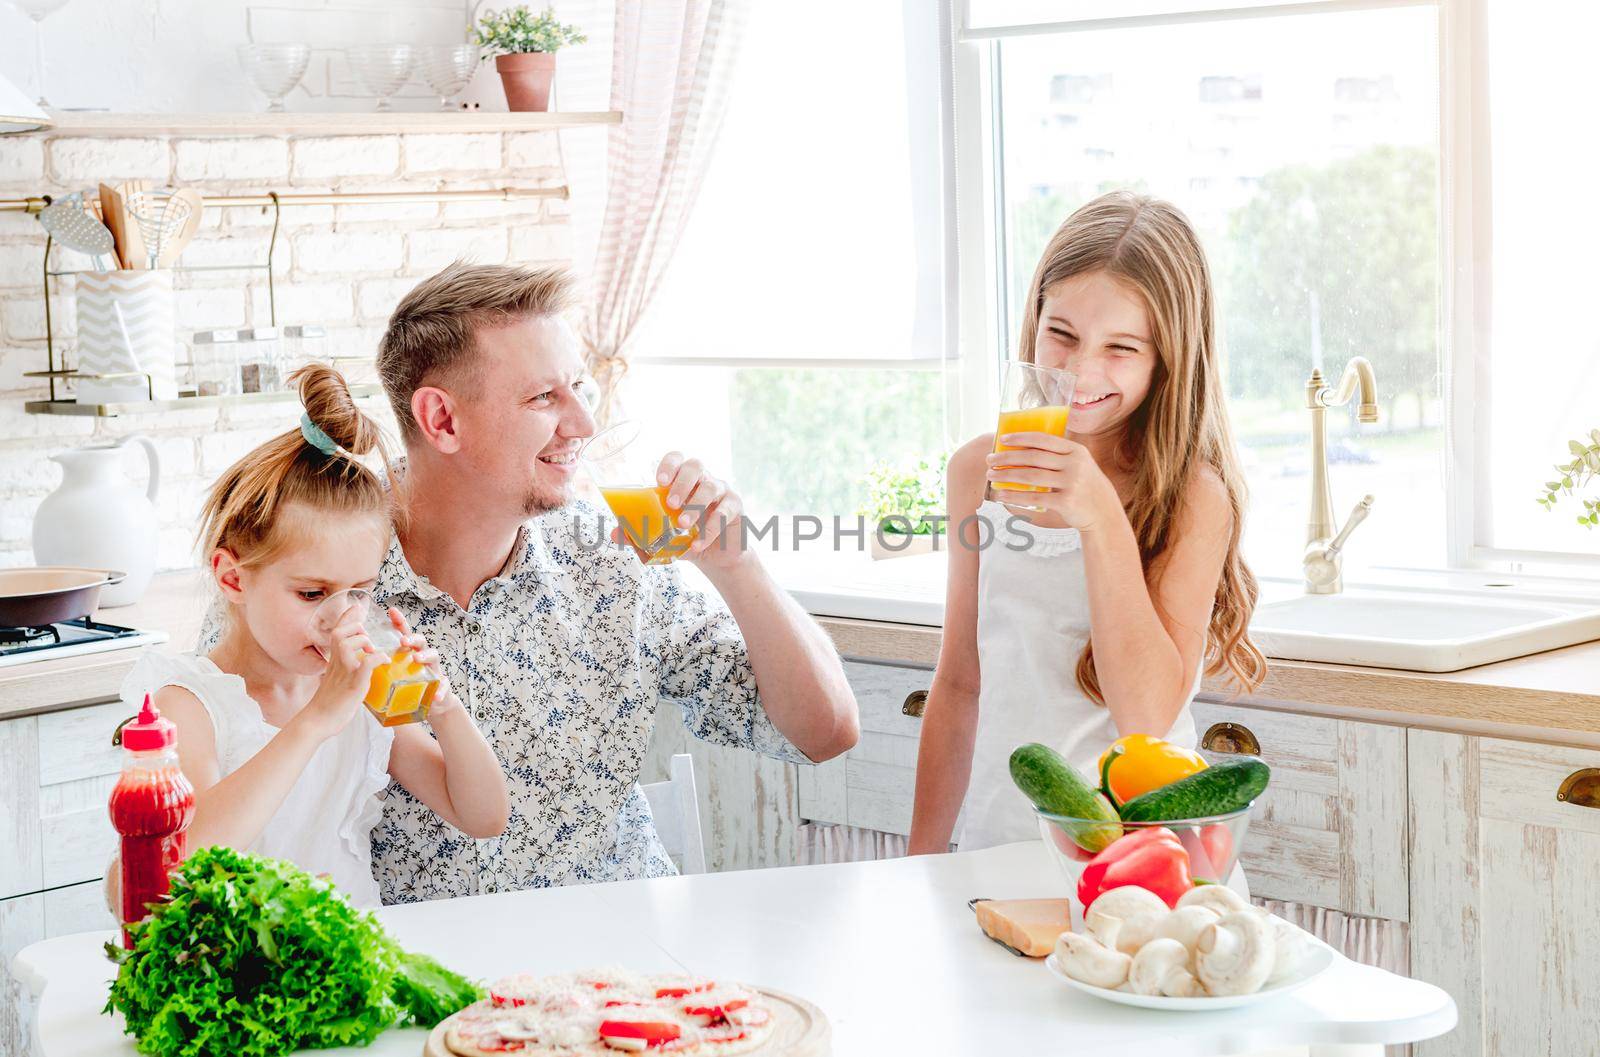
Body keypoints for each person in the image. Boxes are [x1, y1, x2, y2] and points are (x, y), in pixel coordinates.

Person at [220, 261, 859, 903]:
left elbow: (825, 733)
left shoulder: (611, 557)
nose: (583, 423)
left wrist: (738, 566)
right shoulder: (309, 583)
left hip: (622, 953)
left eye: (579, 387)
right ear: (441, 420)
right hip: (420, 978)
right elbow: (229, 822)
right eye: (543, 397)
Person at [908, 192, 1267, 854]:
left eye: (1121, 348)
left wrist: (1100, 516)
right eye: (1062, 334)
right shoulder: (977, 472)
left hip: (1139, 859)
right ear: (1034, 320)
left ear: (1168, 361)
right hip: (994, 846)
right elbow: (960, 683)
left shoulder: (1192, 496)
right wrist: (921, 862)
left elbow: (1146, 717)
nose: (1079, 372)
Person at [117, 365, 508, 908]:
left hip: (351, 964)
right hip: (238, 975)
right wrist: (315, 721)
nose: (338, 618)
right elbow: (179, 867)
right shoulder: (188, 706)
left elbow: (483, 816)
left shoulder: (362, 694)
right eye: (310, 593)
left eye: (358, 592)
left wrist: (444, 709)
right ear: (233, 579)